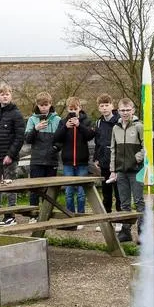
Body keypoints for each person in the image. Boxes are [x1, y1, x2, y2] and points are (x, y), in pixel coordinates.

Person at [0, 83, 26, 228]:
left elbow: (19, 137)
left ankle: (10, 215)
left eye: (7, 94)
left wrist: (10, 154)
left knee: (9, 185)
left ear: (11, 95)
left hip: (9, 157)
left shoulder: (16, 114)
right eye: (2, 94)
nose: (5, 96)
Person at [54, 96, 96, 228]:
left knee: (82, 193)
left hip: (82, 161)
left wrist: (80, 125)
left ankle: (81, 217)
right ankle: (70, 217)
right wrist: (65, 127)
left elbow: (90, 135)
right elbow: (56, 138)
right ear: (67, 109)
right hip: (67, 162)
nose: (73, 111)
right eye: (70, 109)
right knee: (69, 192)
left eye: (75, 109)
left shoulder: (86, 121)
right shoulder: (62, 122)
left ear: (80, 108)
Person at [108, 98, 145, 244]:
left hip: (135, 170)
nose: (125, 113)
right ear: (118, 111)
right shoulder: (115, 128)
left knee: (139, 201)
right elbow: (113, 149)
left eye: (127, 110)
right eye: (122, 110)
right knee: (124, 202)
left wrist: (137, 158)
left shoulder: (139, 126)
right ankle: (125, 231)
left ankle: (142, 232)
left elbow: (146, 146)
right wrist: (113, 169)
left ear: (133, 110)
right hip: (121, 171)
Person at [24, 92, 62, 213]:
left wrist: (55, 149)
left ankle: (47, 214)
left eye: (46, 104)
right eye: (41, 105)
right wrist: (36, 129)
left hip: (51, 160)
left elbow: (62, 139)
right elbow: (28, 139)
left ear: (50, 104)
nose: (44, 107)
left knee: (50, 189)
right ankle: (33, 215)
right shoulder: (32, 119)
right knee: (35, 189)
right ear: (37, 105)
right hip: (36, 159)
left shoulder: (58, 120)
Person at [93, 94, 122, 225]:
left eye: (106, 105)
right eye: (102, 106)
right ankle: (107, 220)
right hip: (104, 161)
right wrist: (96, 158)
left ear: (112, 106)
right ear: (99, 108)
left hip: (118, 161)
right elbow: (98, 142)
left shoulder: (119, 120)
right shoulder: (98, 122)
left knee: (119, 192)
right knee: (106, 191)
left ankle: (120, 220)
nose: (104, 108)